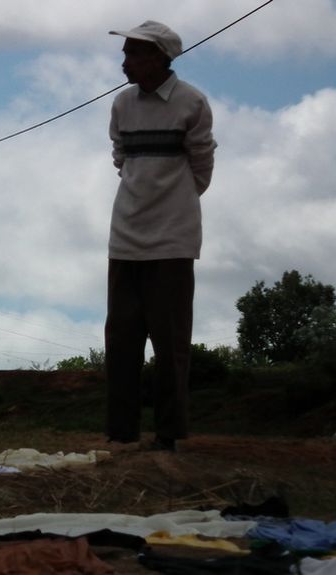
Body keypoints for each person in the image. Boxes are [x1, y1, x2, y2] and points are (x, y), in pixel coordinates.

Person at [103, 21, 216, 452]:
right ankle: (121, 431)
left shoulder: (191, 102)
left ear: (158, 58)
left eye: (132, 53)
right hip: (125, 237)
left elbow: (201, 163)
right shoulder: (122, 104)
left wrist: (177, 202)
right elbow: (121, 157)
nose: (125, 62)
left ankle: (167, 434)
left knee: (170, 344)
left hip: (172, 240)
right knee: (122, 339)